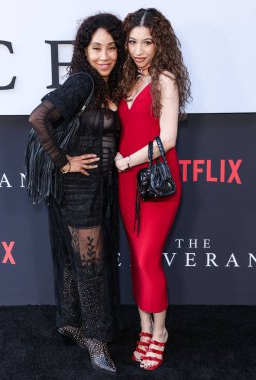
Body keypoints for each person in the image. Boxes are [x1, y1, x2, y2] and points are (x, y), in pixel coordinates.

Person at [28, 13, 125, 375]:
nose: (105, 55)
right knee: (90, 266)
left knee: (73, 261)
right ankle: (97, 342)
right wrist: (64, 162)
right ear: (84, 50)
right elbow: (38, 118)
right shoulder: (83, 81)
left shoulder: (102, 86)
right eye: (96, 47)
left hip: (93, 190)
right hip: (78, 190)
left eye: (112, 47)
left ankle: (69, 323)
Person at [115, 8, 191, 371]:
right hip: (126, 184)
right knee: (136, 257)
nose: (139, 49)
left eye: (147, 41)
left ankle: (160, 332)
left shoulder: (165, 80)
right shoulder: (127, 80)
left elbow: (169, 138)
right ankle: (143, 328)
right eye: (132, 41)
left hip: (156, 182)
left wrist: (127, 161)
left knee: (147, 258)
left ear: (160, 42)